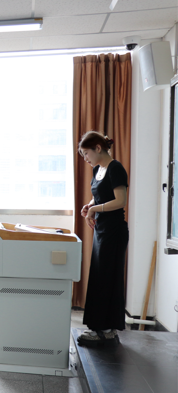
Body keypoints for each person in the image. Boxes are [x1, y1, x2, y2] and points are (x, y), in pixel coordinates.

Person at [76, 132, 129, 346]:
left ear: (98, 148)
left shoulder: (116, 168)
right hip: (102, 230)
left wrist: (95, 209)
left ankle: (107, 330)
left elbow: (120, 201)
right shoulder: (97, 170)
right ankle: (98, 327)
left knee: (108, 277)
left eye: (86, 153)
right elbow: (98, 195)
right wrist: (89, 206)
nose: (85, 158)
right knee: (99, 277)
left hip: (114, 231)